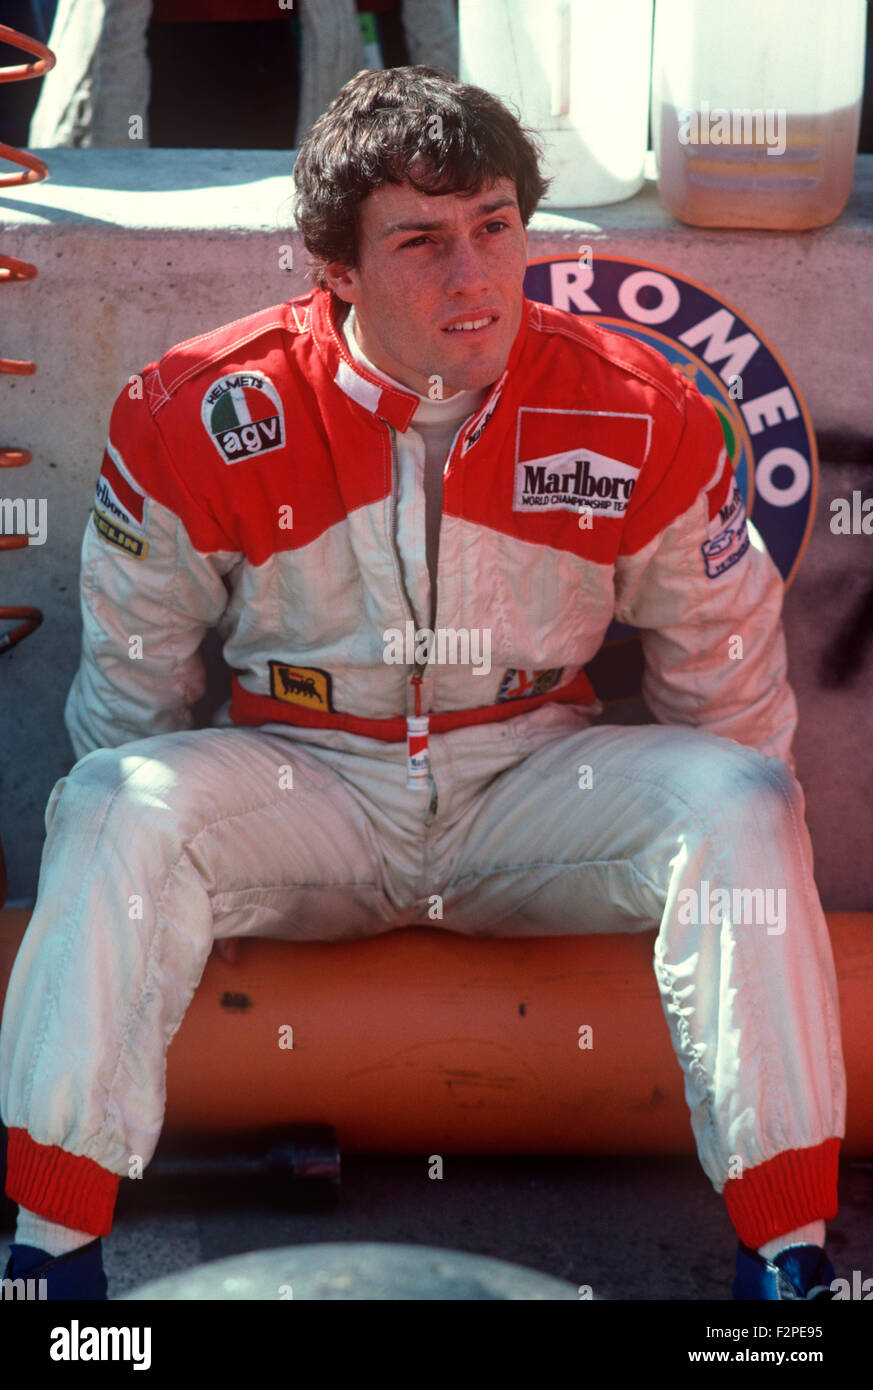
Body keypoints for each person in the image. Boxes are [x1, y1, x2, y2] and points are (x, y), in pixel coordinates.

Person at [0, 65, 845, 1301]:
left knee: (744, 801)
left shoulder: (639, 402)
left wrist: (727, 876)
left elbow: (726, 687)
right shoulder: (199, 407)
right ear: (330, 265)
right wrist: (143, 885)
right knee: (114, 800)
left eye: (496, 226)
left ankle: (791, 1276)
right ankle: (49, 1267)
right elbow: (133, 688)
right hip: (308, 785)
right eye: (422, 241)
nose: (474, 274)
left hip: (534, 784)